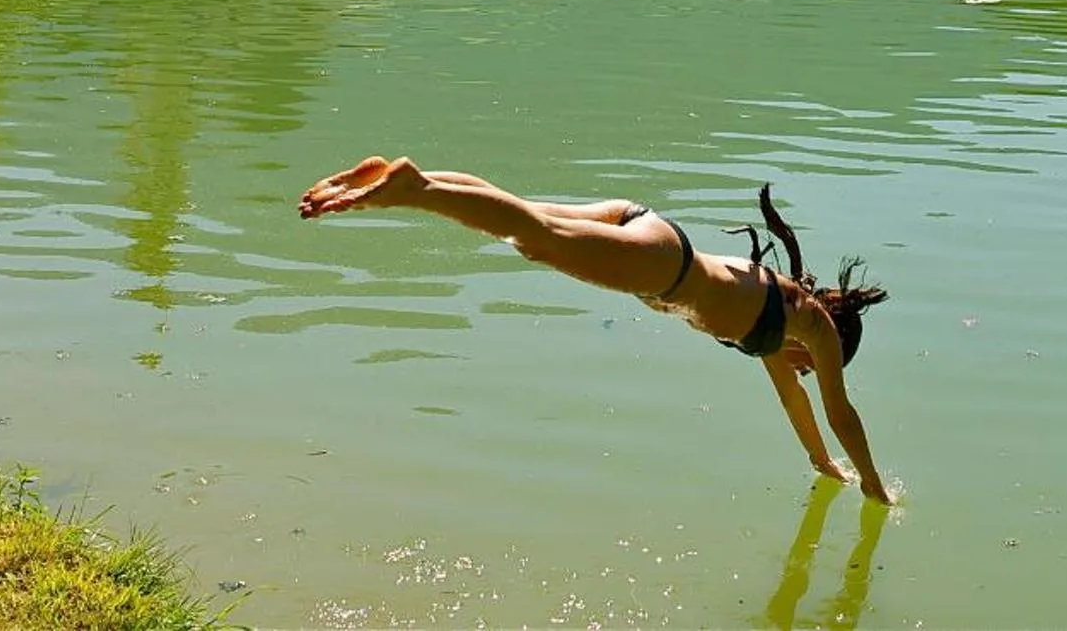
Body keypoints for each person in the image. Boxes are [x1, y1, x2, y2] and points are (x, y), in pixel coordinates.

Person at [299, 159, 894, 501]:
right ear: (831, 341)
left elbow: (794, 403)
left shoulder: (777, 326)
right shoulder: (809, 323)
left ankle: (414, 176)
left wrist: (824, 466)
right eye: (814, 366)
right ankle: (415, 189)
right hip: (664, 266)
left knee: (527, 214)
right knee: (535, 238)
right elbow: (838, 409)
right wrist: (874, 483)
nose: (806, 372)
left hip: (647, 228)